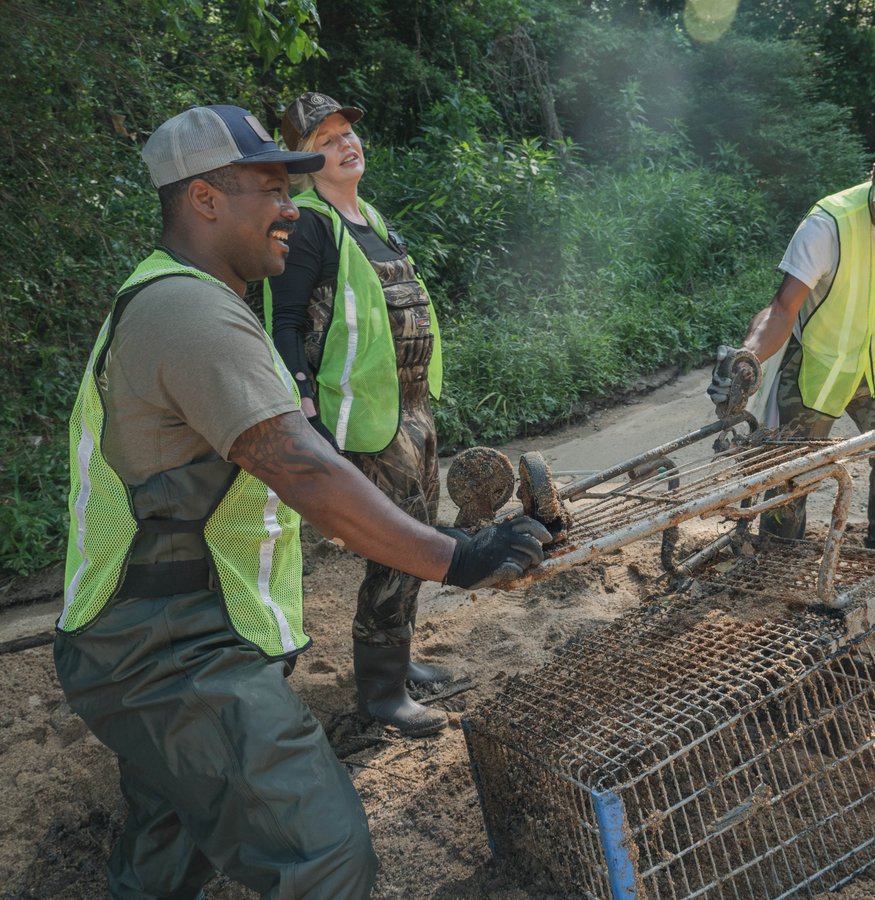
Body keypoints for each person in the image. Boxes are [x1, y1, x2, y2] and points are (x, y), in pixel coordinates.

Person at [54, 104, 551, 899]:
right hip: (171, 658)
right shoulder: (189, 311)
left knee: (167, 854)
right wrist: (458, 558)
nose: (292, 206)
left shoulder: (180, 298)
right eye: (271, 187)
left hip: (150, 640)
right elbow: (302, 468)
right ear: (205, 199)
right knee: (321, 858)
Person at [262, 91, 454, 737]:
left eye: (348, 132)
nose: (347, 144)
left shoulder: (368, 216)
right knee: (396, 551)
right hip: (365, 422)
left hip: (412, 411)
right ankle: (381, 695)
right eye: (326, 141)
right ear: (301, 164)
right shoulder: (311, 224)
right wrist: (306, 412)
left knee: (424, 533)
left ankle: (399, 666)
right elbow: (283, 323)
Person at [708, 86, 875, 552]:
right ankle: (777, 556)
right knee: (791, 473)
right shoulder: (827, 225)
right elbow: (782, 308)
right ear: (873, 176)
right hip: (817, 367)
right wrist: (748, 360)